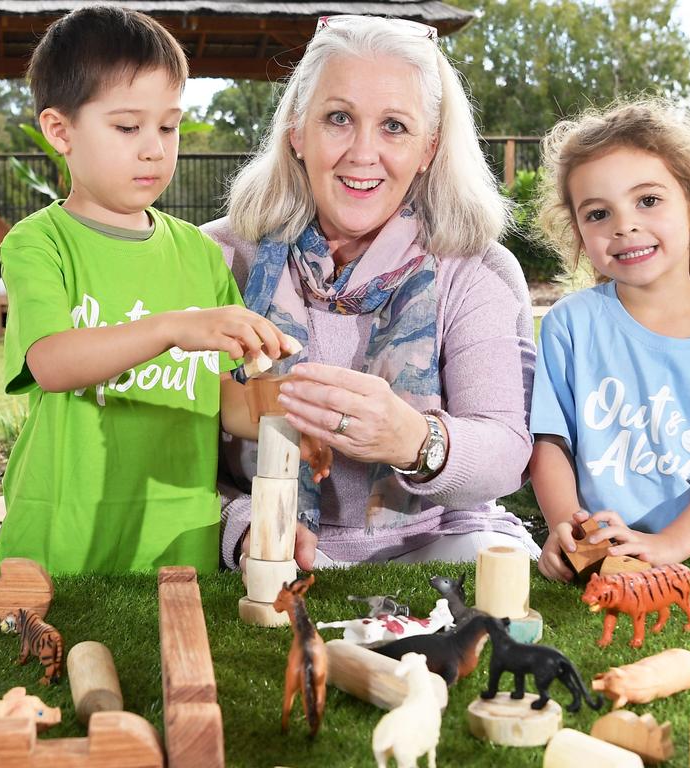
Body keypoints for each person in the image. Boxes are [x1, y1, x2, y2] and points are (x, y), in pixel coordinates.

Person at [0, 6, 325, 576]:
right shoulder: (39, 243)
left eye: (167, 126)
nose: (154, 148)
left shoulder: (197, 253)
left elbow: (224, 396)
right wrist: (173, 327)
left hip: (176, 540)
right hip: (61, 539)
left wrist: (289, 419)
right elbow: (51, 362)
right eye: (127, 127)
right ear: (59, 130)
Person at [202, 14, 539, 571]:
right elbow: (165, 440)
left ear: (428, 148)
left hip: (440, 543)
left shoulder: (477, 270)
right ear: (296, 132)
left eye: (394, 127)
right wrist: (244, 527)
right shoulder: (216, 256)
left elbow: (507, 454)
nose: (363, 153)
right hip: (268, 546)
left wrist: (414, 438)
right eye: (339, 118)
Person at [531, 100, 690, 581]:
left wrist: (670, 545)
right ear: (579, 233)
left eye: (648, 200)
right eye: (598, 213)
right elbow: (550, 443)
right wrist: (567, 528)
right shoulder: (570, 325)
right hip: (605, 555)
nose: (624, 225)